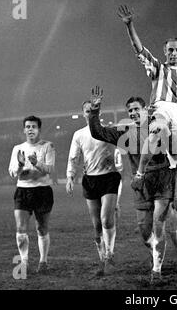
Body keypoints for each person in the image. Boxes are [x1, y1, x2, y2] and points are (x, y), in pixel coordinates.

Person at [88, 93, 177, 285]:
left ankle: (156, 270)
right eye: (130, 110)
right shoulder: (125, 131)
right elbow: (97, 132)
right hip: (141, 184)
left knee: (159, 224)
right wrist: (95, 111)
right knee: (144, 230)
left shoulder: (159, 125)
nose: (133, 113)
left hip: (162, 178)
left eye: (136, 109)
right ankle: (157, 255)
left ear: (145, 110)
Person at [117, 5, 177, 212]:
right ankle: (139, 174)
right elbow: (139, 49)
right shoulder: (158, 68)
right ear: (165, 51)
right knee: (158, 132)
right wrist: (129, 25)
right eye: (170, 49)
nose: (174, 53)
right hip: (161, 109)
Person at [66, 96, 121, 277]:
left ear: (99, 112)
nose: (90, 114)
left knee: (106, 219)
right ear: (83, 114)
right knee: (97, 225)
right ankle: (102, 259)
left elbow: (120, 155)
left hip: (110, 179)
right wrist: (70, 176)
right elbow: (74, 157)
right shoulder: (79, 135)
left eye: (93, 111)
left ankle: (110, 256)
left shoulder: (108, 131)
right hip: (91, 180)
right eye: (87, 111)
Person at [8, 116, 55, 275]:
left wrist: (36, 163)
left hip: (42, 191)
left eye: (33, 127)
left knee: (41, 228)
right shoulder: (17, 148)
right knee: (20, 228)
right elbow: (13, 173)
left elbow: (49, 169)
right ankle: (24, 262)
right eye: (27, 127)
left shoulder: (48, 146)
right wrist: (21, 165)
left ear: (39, 129)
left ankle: (43, 262)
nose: (30, 129)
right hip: (23, 191)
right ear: (24, 130)